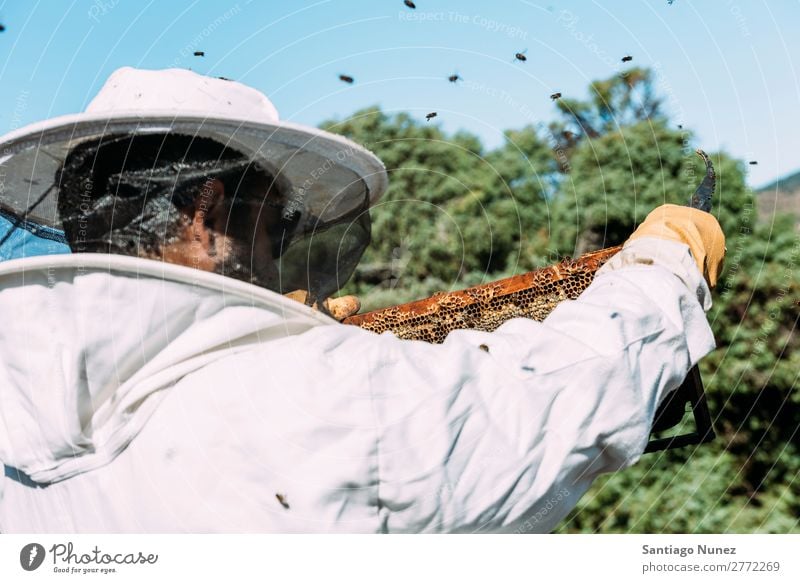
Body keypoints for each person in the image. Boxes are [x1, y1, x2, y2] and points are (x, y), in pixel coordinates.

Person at [0, 67, 725, 533]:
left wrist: (262, 346)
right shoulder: (327, 405)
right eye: (277, 222)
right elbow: (542, 405)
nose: (282, 250)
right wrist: (663, 271)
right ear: (208, 213)